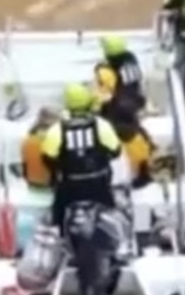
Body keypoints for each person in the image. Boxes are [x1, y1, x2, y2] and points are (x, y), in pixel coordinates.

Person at [38, 84, 124, 226]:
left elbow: (47, 157)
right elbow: (116, 151)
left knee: (58, 216)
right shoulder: (102, 125)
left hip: (69, 186)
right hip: (99, 184)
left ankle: (59, 231)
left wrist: (63, 167)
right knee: (110, 218)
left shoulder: (56, 130)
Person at [92, 35, 154, 183]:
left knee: (117, 133)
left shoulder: (107, 70)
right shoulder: (131, 60)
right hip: (135, 101)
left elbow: (105, 92)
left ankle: (136, 170)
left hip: (120, 106)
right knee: (134, 129)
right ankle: (146, 156)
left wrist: (97, 107)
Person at [21, 107, 62, 189]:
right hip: (49, 184)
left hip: (32, 182)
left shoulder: (28, 139)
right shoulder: (52, 139)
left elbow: (24, 166)